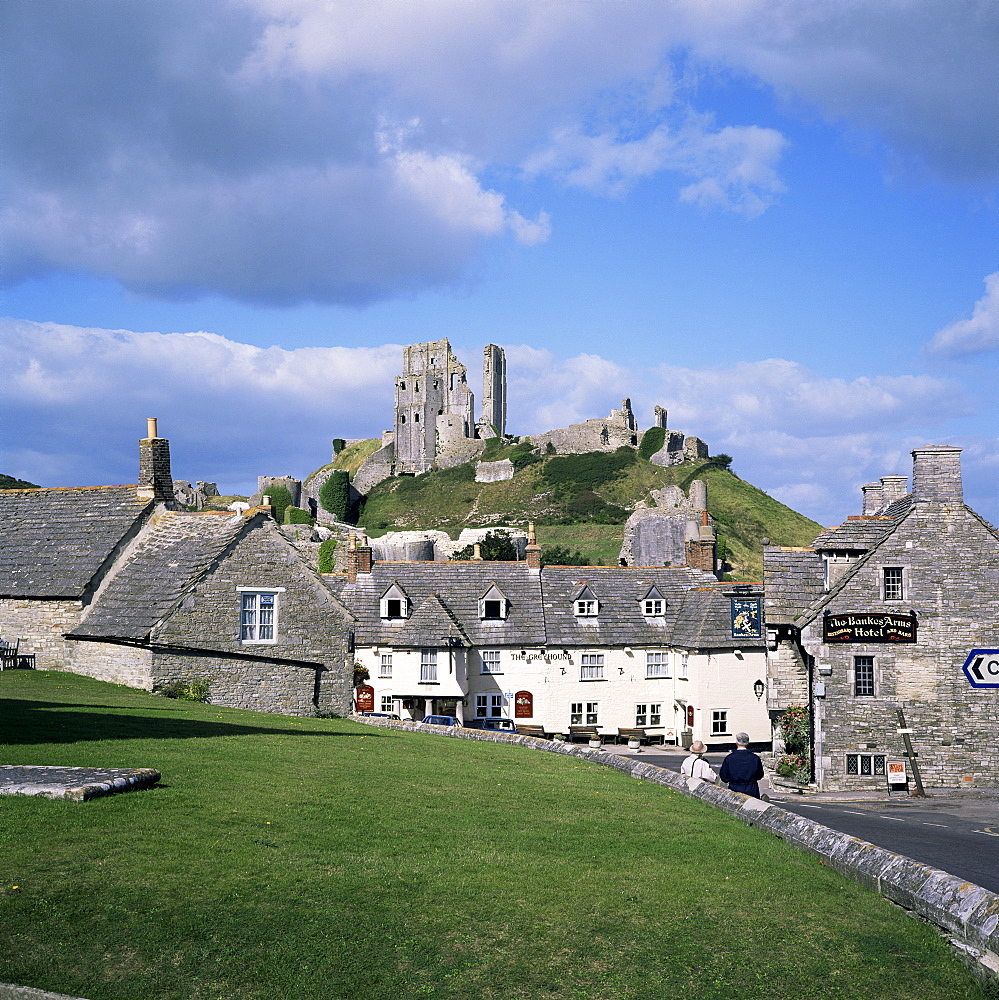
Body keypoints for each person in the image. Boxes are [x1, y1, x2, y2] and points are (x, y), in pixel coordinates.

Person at [719, 732, 765, 798]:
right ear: (748, 743)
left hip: (734, 789)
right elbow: (760, 775)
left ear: (736, 743)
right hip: (751, 789)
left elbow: (724, 777)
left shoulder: (729, 758)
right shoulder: (755, 758)